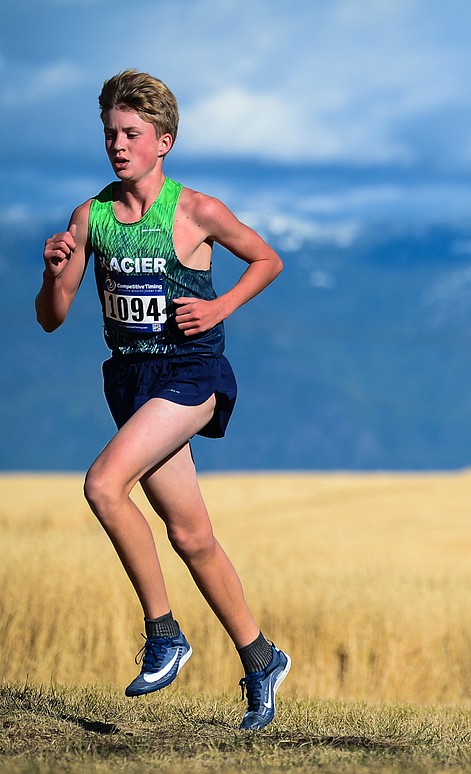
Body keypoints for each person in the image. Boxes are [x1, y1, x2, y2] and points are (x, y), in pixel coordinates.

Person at [35, 69, 288, 730]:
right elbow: (51, 318)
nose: (118, 145)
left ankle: (164, 634)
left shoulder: (195, 210)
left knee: (102, 486)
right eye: (110, 134)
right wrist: (56, 271)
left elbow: (266, 259)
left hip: (192, 373)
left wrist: (220, 303)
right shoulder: (89, 217)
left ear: (163, 140)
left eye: (132, 134)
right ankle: (262, 660)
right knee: (191, 534)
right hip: (131, 382)